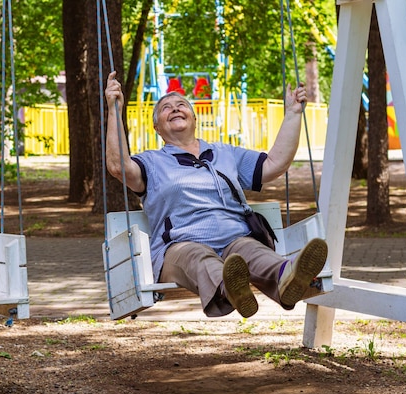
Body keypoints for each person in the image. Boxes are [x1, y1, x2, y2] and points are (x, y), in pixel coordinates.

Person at [104, 71, 328, 318]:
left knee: (251, 251)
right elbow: (118, 167)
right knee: (199, 256)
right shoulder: (152, 162)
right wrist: (114, 108)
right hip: (180, 246)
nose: (175, 109)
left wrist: (293, 114)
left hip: (235, 240)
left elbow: (274, 164)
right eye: (166, 108)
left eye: (182, 105)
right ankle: (231, 289)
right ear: (157, 127)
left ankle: (288, 280)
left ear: (194, 117)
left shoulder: (225, 153)